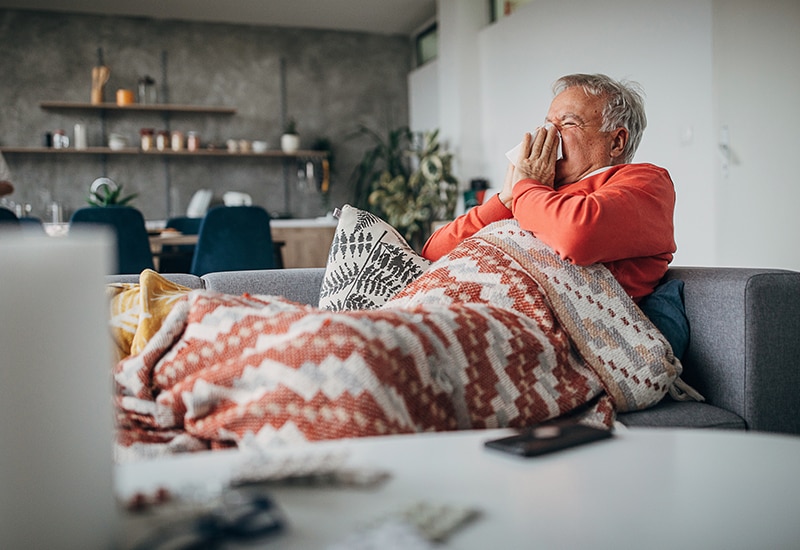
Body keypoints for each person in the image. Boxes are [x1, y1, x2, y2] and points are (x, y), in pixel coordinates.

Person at [422, 73, 676, 302]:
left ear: (616, 142)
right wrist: (506, 199)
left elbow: (577, 235)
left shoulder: (646, 181)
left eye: (567, 123)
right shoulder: (536, 195)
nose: (548, 135)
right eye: (547, 124)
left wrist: (528, 186)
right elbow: (434, 254)